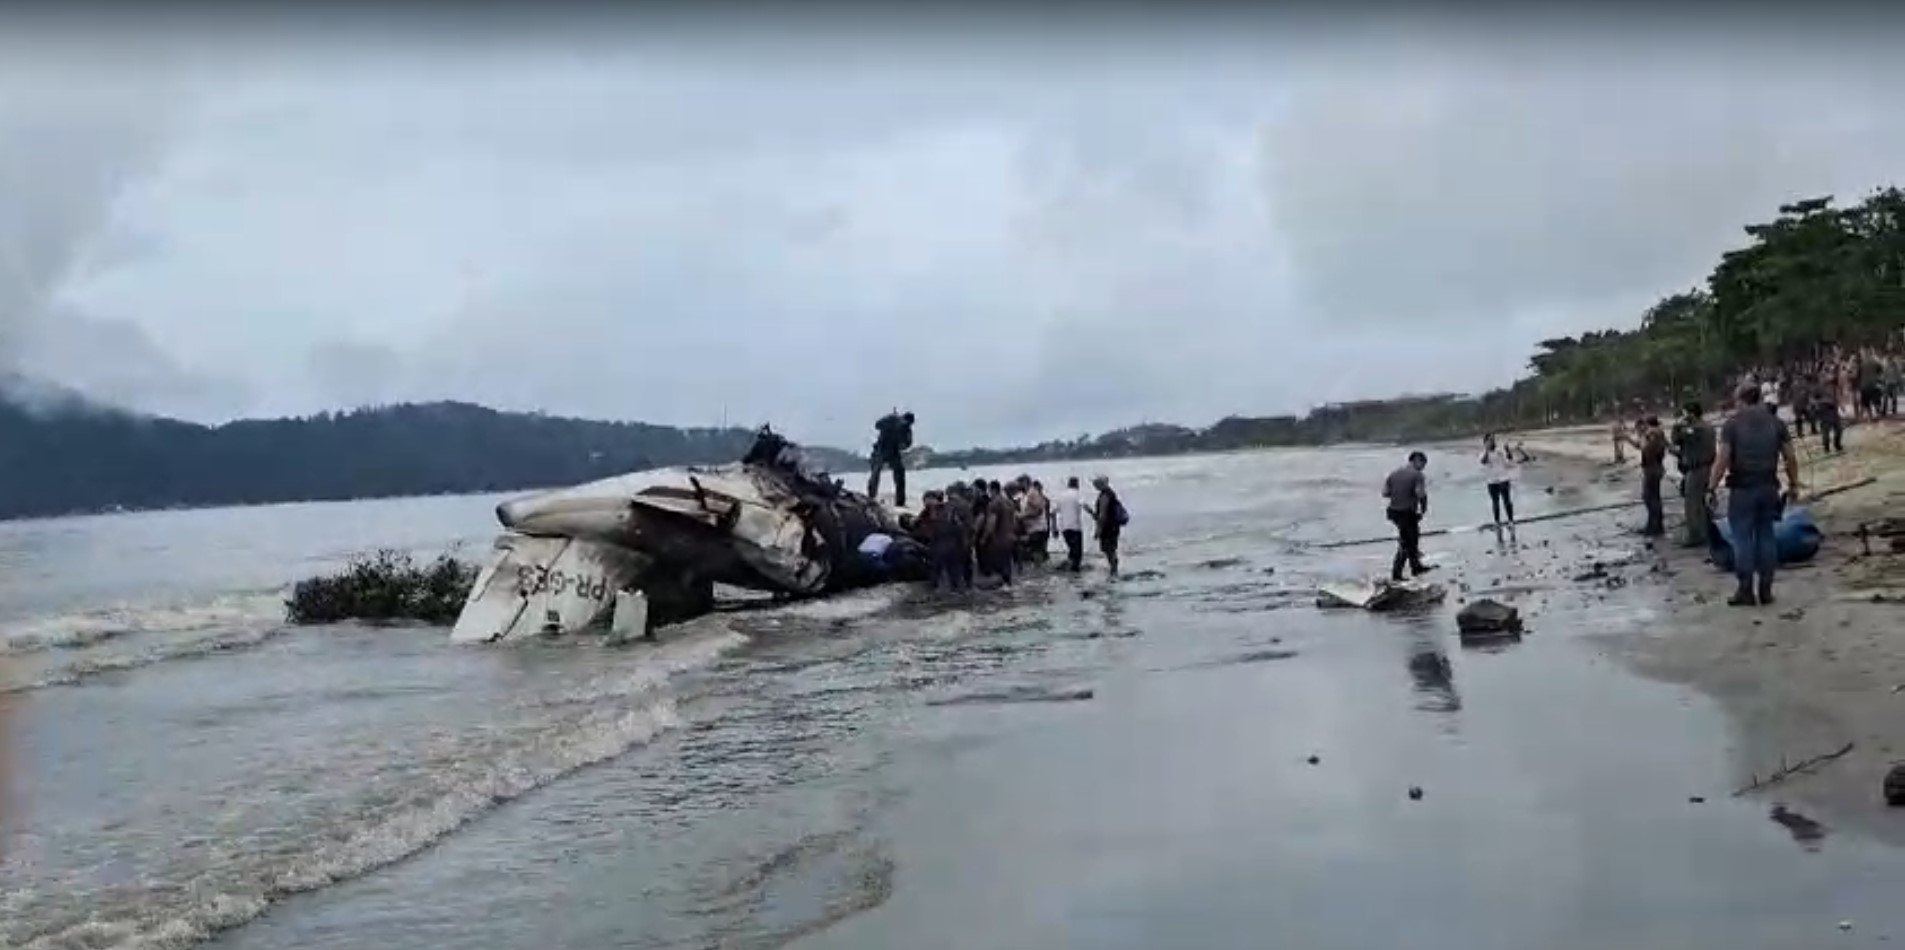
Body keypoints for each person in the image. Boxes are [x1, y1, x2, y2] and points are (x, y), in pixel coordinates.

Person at [1709, 384, 1801, 607]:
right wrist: (1794, 484)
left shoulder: (1732, 425)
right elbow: (1790, 456)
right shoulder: (1776, 423)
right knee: (1766, 536)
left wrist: (1711, 487)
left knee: (1742, 539)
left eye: (1735, 400)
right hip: (1769, 486)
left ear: (1741, 399)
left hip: (1742, 489)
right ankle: (1766, 590)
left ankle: (1745, 590)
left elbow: (1723, 459)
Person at [1669, 401, 1716, 548]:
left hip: (1696, 469)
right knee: (1702, 502)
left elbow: (1675, 438)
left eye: (1684, 413)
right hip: (1707, 467)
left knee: (1692, 503)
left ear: (1691, 413)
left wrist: (1677, 424)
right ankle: (1706, 531)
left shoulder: (1694, 429)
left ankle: (1696, 535)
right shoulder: (1707, 427)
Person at [1382, 451, 1432, 583]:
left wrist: (1399, 492)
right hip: (1407, 512)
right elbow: (1420, 493)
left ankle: (1416, 566)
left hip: (1394, 512)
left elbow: (1385, 493)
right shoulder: (1417, 475)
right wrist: (1424, 507)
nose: (1423, 467)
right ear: (1417, 460)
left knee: (1411, 538)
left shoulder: (1393, 473)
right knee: (1407, 542)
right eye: (1422, 464)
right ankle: (1397, 574)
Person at [867, 410, 915, 507]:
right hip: (881, 449)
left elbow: (907, 444)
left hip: (893, 451)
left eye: (908, 424)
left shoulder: (907, 429)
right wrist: (888, 422)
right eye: (904, 422)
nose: (905, 424)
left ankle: (900, 502)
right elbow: (877, 425)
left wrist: (902, 444)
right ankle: (871, 498)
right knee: (875, 473)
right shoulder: (891, 419)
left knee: (900, 474)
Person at [1637, 416, 1669, 537]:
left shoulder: (1651, 433)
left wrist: (1642, 437)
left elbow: (1646, 449)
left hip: (1652, 469)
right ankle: (1656, 525)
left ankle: (1653, 526)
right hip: (1656, 467)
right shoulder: (1659, 433)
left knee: (1649, 498)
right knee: (1654, 497)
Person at [1090, 475, 1127, 578]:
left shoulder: (1105, 495)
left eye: (1096, 484)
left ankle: (1114, 571)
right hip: (1113, 526)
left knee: (1109, 549)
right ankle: (1114, 570)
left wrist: (1098, 530)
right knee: (1111, 549)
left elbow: (1102, 514)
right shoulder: (1110, 493)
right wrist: (1092, 513)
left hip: (1108, 528)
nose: (1094, 486)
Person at [1478, 433, 1517, 527]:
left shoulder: (1499, 452)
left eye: (1493, 440)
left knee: (1507, 501)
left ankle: (1511, 521)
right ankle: (1497, 522)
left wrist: (1508, 451)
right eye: (1489, 440)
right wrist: (1487, 450)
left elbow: (1509, 461)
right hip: (1492, 481)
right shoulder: (1482, 454)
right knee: (1495, 502)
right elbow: (1483, 461)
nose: (1492, 442)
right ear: (1485, 442)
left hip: (1503, 479)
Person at [1055, 476, 1088, 572]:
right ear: (1077, 484)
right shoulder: (1077, 494)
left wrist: (1054, 528)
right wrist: (1094, 515)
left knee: (1072, 550)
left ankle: (1067, 568)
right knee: (1077, 553)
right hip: (1075, 528)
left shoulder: (1061, 496)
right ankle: (1074, 572)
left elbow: (1053, 512)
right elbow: (1084, 505)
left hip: (1064, 529)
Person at [1019, 480, 1052, 565]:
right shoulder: (1026, 497)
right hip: (1040, 527)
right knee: (1038, 549)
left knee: (1038, 549)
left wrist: (1023, 516)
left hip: (1041, 527)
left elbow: (1043, 512)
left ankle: (1038, 569)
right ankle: (1040, 566)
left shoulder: (1043, 499)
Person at [1814, 379, 1844, 454]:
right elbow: (1814, 398)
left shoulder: (1825, 386)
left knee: (1832, 428)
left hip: (1827, 408)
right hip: (1826, 407)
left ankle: (1830, 447)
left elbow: (1814, 398)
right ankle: (1833, 446)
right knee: (1834, 428)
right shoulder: (1827, 386)